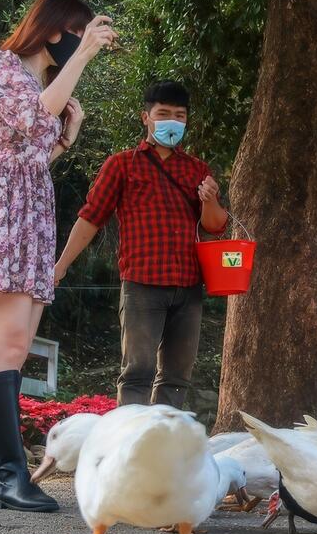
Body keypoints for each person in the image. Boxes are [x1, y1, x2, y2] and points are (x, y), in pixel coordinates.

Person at [0, 0, 115, 512]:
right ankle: (9, 474)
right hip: (5, 213)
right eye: (77, 32)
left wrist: (67, 138)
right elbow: (31, 119)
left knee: (15, 345)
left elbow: (33, 154)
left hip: (30, 213)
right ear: (54, 28)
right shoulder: (4, 66)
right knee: (9, 341)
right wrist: (83, 57)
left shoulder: (33, 81)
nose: (79, 43)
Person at [55, 81, 228, 408]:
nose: (172, 121)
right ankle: (131, 437)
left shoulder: (197, 169)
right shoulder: (122, 164)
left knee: (177, 378)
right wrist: (60, 266)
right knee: (137, 372)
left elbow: (215, 226)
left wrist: (210, 200)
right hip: (142, 284)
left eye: (179, 116)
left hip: (189, 286)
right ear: (146, 117)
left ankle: (164, 438)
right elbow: (91, 218)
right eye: (163, 114)